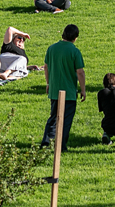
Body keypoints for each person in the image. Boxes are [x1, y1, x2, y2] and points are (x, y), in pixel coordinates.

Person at [41, 24, 85, 152]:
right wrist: (83, 89)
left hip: (55, 90)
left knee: (53, 118)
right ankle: (61, 146)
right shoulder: (74, 51)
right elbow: (80, 72)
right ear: (75, 37)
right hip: (69, 92)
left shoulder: (52, 48)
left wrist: (48, 83)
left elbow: (46, 66)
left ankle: (46, 142)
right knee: (65, 120)